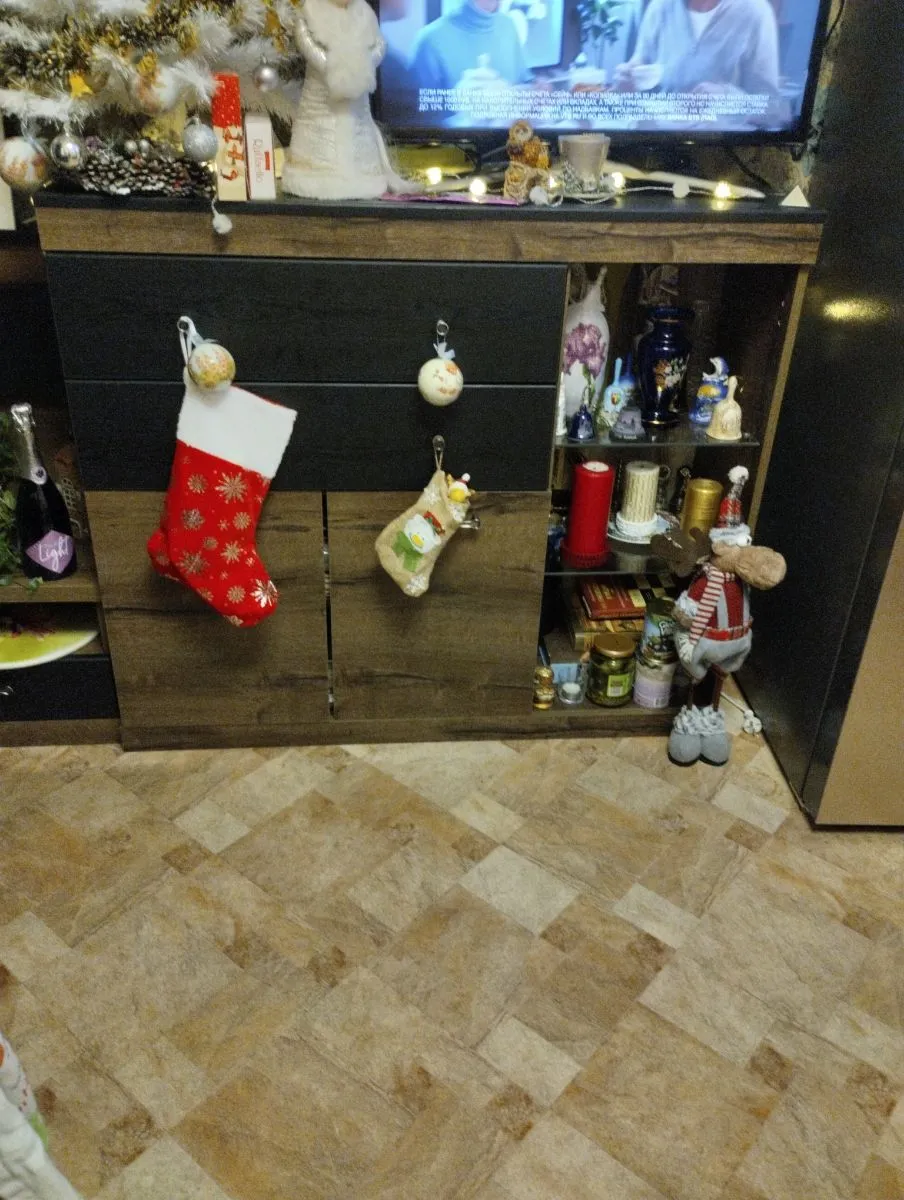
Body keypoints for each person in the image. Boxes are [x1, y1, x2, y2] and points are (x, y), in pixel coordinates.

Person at [616, 0, 780, 99]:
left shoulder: (756, 11)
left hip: (725, 142)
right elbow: (640, 64)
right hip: (659, 138)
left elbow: (772, 108)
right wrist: (629, 78)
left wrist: (726, 98)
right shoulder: (660, 6)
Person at [409, 0, 530, 91]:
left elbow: (522, 83)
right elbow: (416, 113)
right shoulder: (429, 41)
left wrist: (533, 90)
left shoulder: (509, 26)